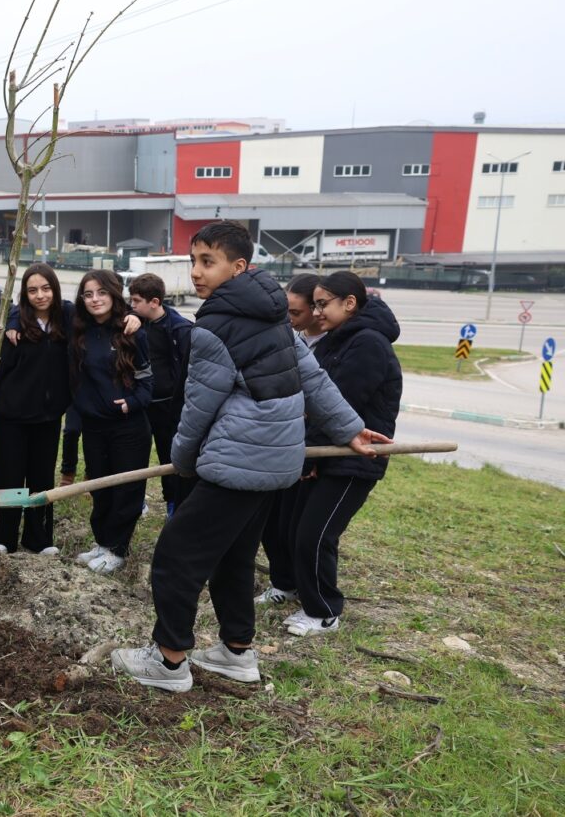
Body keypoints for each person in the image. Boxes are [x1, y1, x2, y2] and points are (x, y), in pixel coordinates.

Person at [110, 221, 385, 693]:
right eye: (193, 261)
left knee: (175, 556)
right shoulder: (274, 315)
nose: (196, 272)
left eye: (208, 262)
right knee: (233, 556)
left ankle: (169, 661)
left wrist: (183, 460)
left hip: (238, 461)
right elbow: (312, 377)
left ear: (238, 267)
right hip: (276, 465)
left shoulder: (214, 328)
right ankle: (236, 653)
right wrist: (349, 428)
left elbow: (199, 407)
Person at [270, 272, 402, 637]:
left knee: (315, 535)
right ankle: (297, 590)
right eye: (314, 305)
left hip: (355, 459)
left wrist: (311, 459)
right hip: (327, 453)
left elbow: (341, 406)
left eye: (322, 304)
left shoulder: (368, 344)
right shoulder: (339, 340)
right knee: (293, 529)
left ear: (350, 303)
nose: (316, 312)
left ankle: (324, 613)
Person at [70, 270, 153, 574]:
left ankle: (117, 549)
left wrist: (132, 403)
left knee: (126, 490)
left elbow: (147, 382)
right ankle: (103, 542)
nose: (95, 299)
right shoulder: (79, 330)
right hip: (93, 426)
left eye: (101, 292)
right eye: (88, 294)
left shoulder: (132, 332)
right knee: (100, 486)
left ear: (114, 294)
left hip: (128, 428)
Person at [0, 263, 71, 554]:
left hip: (48, 418)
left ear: (55, 289)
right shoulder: (14, 328)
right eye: (33, 290)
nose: (40, 295)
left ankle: (39, 538)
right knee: (10, 478)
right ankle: (5, 537)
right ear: (25, 294)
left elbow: (99, 311)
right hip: (12, 417)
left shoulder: (66, 320)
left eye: (46, 288)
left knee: (42, 478)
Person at [256, 272, 326, 607]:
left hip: (308, 449)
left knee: (299, 528)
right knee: (273, 522)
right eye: (285, 310)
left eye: (295, 313)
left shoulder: (332, 345)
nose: (288, 318)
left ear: (316, 310)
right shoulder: (289, 338)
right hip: (282, 442)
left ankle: (302, 587)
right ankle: (283, 582)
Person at [128, 273, 194, 518]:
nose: (132, 305)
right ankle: (136, 502)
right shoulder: (135, 322)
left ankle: (173, 504)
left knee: (170, 457)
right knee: (135, 457)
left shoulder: (179, 329)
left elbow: (189, 370)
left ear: (154, 302)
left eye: (136, 301)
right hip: (142, 405)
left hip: (169, 407)